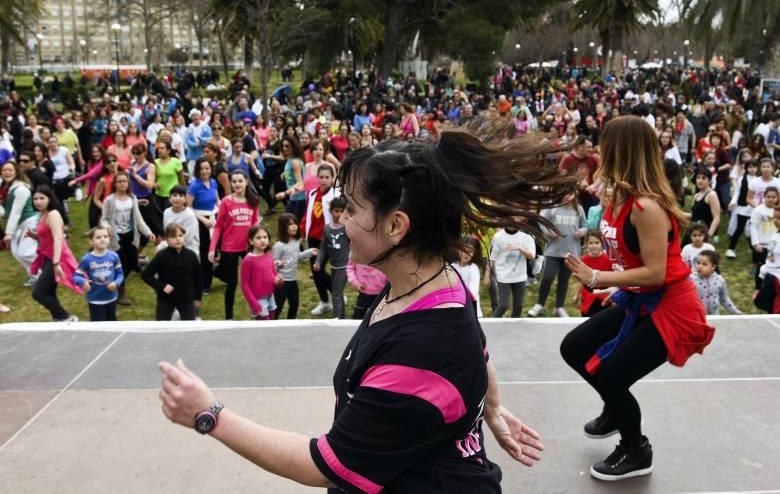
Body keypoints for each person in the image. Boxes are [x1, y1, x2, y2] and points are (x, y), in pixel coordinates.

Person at [160, 126, 565, 492]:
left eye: (352, 210)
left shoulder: (423, 348)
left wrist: (208, 415)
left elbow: (328, 465)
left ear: (395, 226)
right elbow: (479, 346)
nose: (342, 223)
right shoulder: (437, 284)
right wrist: (489, 407)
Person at [562, 116, 714, 482]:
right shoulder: (619, 199)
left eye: (605, 144)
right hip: (641, 301)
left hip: (671, 309)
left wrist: (599, 278)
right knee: (575, 347)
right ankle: (617, 410)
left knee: (614, 377)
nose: (599, 150)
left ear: (620, 150)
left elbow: (657, 272)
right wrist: (621, 285)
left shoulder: (647, 207)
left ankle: (636, 449)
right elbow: (631, 260)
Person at [208, 170, 260, 320]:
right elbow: (218, 227)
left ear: (246, 182)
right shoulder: (226, 201)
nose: (237, 184)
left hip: (248, 247)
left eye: (240, 181)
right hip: (229, 248)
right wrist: (212, 248)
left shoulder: (253, 201)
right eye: (234, 181)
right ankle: (229, 318)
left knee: (254, 281)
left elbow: (255, 222)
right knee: (231, 284)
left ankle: (257, 312)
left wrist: (257, 241)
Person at [100, 171, 156, 306]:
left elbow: (138, 219)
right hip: (116, 237)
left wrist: (148, 232)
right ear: (115, 184)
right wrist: (107, 227)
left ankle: (113, 282)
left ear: (128, 183)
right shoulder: (110, 200)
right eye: (119, 181)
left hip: (130, 236)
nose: (122, 184)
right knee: (121, 264)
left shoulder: (132, 198)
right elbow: (104, 219)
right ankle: (120, 293)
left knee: (132, 263)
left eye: (124, 181)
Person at [528, 193, 587, 318]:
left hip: (571, 252)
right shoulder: (552, 207)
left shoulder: (579, 209)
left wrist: (581, 232)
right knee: (548, 277)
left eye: (570, 194)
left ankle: (559, 307)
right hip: (553, 251)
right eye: (565, 193)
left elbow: (585, 226)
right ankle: (540, 304)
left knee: (564, 280)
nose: (567, 196)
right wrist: (549, 232)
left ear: (574, 194)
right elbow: (541, 222)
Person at [29, 185, 82, 322]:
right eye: (35, 198)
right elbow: (47, 237)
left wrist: (56, 263)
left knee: (38, 293)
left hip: (57, 258)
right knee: (48, 291)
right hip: (48, 257)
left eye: (42, 198)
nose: (38, 201)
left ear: (49, 199)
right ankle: (59, 318)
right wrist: (34, 236)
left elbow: (58, 238)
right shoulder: (43, 214)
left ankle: (66, 317)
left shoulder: (52, 214)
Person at [142, 223, 202, 321]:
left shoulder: (191, 256)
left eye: (180, 236)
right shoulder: (161, 256)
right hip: (166, 299)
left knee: (189, 327)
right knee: (162, 327)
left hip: (187, 299)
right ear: (167, 239)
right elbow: (146, 275)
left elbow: (198, 277)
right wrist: (162, 286)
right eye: (173, 236)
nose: (178, 239)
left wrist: (198, 298)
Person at [302, 164, 337, 316]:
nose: (323, 180)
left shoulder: (335, 195)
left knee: (319, 269)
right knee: (315, 271)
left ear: (332, 178)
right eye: (321, 177)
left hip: (326, 238)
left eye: (327, 177)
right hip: (312, 237)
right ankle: (325, 301)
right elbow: (308, 214)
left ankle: (336, 294)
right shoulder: (312, 194)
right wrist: (303, 229)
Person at [73, 227, 124, 321]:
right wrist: (83, 282)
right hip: (95, 299)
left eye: (105, 236)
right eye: (98, 237)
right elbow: (76, 276)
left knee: (112, 323)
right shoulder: (87, 259)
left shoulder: (114, 256)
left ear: (109, 239)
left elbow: (120, 274)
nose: (102, 239)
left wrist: (116, 283)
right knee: (98, 325)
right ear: (91, 241)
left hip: (112, 298)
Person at [272, 212, 317, 319]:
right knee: (278, 306)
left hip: (292, 280)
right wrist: (277, 264)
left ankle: (290, 324)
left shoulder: (296, 242)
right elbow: (272, 264)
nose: (294, 227)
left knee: (294, 304)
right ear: (283, 227)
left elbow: (296, 256)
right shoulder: (279, 246)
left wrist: (309, 252)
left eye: (295, 224)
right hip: (281, 282)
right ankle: (271, 325)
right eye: (290, 225)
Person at [489, 218, 536, 318]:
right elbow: (492, 257)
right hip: (503, 276)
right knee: (503, 305)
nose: (511, 224)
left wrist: (519, 248)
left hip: (520, 277)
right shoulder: (498, 237)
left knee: (518, 306)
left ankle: (514, 325)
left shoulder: (527, 238)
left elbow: (531, 256)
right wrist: (486, 275)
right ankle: (492, 323)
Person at [1, 161, 39, 284]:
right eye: (4, 170)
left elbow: (16, 212)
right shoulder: (7, 187)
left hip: (29, 223)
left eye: (10, 170)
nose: (7, 172)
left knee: (26, 252)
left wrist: (9, 233)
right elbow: (7, 210)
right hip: (19, 225)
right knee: (17, 252)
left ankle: (46, 274)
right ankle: (36, 277)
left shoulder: (21, 189)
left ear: (16, 172)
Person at [314, 197, 350, 319]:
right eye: (336, 211)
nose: (339, 214)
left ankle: (337, 318)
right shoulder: (327, 228)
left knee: (336, 293)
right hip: (334, 266)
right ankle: (342, 317)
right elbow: (323, 248)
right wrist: (318, 261)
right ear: (331, 211)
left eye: (342, 211)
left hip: (345, 266)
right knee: (337, 293)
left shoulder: (348, 228)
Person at [187, 159, 219, 294]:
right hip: (200, 221)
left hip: (214, 219)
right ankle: (204, 284)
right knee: (206, 253)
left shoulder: (213, 182)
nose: (205, 171)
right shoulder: (194, 186)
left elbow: (217, 200)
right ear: (197, 171)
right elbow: (188, 207)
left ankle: (219, 274)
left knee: (218, 249)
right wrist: (203, 220)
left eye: (207, 168)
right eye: (202, 169)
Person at [240, 225, 282, 320]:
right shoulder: (248, 260)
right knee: (263, 325)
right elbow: (244, 285)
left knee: (272, 320)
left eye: (265, 237)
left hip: (270, 296)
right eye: (258, 238)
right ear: (251, 241)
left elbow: (274, 273)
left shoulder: (269, 256)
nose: (263, 240)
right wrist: (254, 304)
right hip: (258, 299)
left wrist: (278, 279)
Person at [574, 230, 614, 317]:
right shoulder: (583, 260)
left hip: (604, 297)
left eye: (597, 243)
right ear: (586, 244)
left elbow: (613, 280)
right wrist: (576, 294)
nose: (594, 246)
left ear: (602, 243)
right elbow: (580, 280)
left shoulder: (608, 260)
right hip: (588, 297)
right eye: (591, 243)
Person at [690, 249, 741, 315]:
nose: (700, 266)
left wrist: (736, 312)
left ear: (713, 266)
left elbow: (724, 299)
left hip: (714, 317)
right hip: (696, 317)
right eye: (698, 263)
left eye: (704, 264)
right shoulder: (691, 279)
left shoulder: (719, 280)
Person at [726, 159, 759, 258]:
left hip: (754, 208)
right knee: (739, 229)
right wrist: (733, 202)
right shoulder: (742, 179)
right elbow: (737, 192)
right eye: (750, 167)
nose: (752, 169)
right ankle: (731, 249)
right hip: (742, 208)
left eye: (754, 167)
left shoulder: (759, 180)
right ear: (746, 168)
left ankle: (753, 247)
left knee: (751, 229)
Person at [750, 186, 780, 290]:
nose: (771, 199)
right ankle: (758, 288)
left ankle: (769, 287)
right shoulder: (758, 210)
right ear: (764, 197)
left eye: (773, 197)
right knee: (760, 266)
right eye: (768, 196)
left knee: (771, 266)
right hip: (761, 245)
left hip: (773, 245)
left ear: (777, 198)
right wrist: (755, 243)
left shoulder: (779, 211)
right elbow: (753, 227)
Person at [450, 236, 484, 318]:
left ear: (474, 253)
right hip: (455, 310)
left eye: (470, 251)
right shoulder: (451, 267)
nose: (466, 254)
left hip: (471, 311)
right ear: (457, 250)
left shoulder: (473, 269)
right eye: (463, 250)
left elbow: (473, 292)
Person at [162, 186, 200, 259]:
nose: (177, 198)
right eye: (175, 195)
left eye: (181, 196)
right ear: (169, 198)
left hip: (188, 249)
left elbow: (187, 238)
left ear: (185, 199)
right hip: (171, 245)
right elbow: (166, 231)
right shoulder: (166, 212)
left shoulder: (189, 215)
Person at [275, 136, 305, 218]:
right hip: (293, 198)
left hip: (300, 198)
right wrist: (285, 174)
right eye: (283, 146)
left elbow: (300, 182)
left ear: (293, 146)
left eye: (287, 146)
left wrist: (284, 193)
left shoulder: (295, 162)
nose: (284, 148)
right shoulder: (289, 160)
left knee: (292, 223)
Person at [154, 136, 186, 212]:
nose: (159, 150)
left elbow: (181, 179)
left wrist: (184, 193)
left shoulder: (176, 162)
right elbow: (153, 178)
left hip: (172, 195)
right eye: (159, 148)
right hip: (158, 194)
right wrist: (154, 184)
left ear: (168, 151)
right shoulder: (155, 162)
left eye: (162, 148)